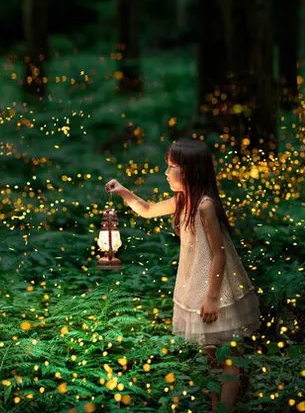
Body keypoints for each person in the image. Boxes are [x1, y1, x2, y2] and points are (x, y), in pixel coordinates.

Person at [105, 138, 261, 412]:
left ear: (190, 170)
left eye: (172, 166)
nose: (166, 173)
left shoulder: (204, 206)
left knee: (230, 364)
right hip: (196, 287)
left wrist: (212, 298)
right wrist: (124, 192)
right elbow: (148, 210)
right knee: (213, 362)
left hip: (217, 291)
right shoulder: (183, 201)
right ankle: (218, 406)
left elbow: (220, 255)